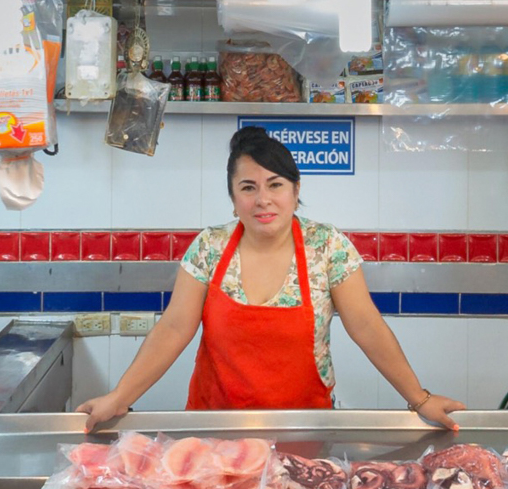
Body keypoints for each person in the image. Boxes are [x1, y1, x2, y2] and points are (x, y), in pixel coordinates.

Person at [78, 127, 465, 431]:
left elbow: (366, 324)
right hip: (217, 426)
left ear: (296, 191)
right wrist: (120, 396)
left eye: (275, 184)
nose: (263, 199)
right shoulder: (209, 247)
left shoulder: (327, 246)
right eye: (248, 187)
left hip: (305, 426)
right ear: (233, 198)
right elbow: (175, 326)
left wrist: (418, 397)